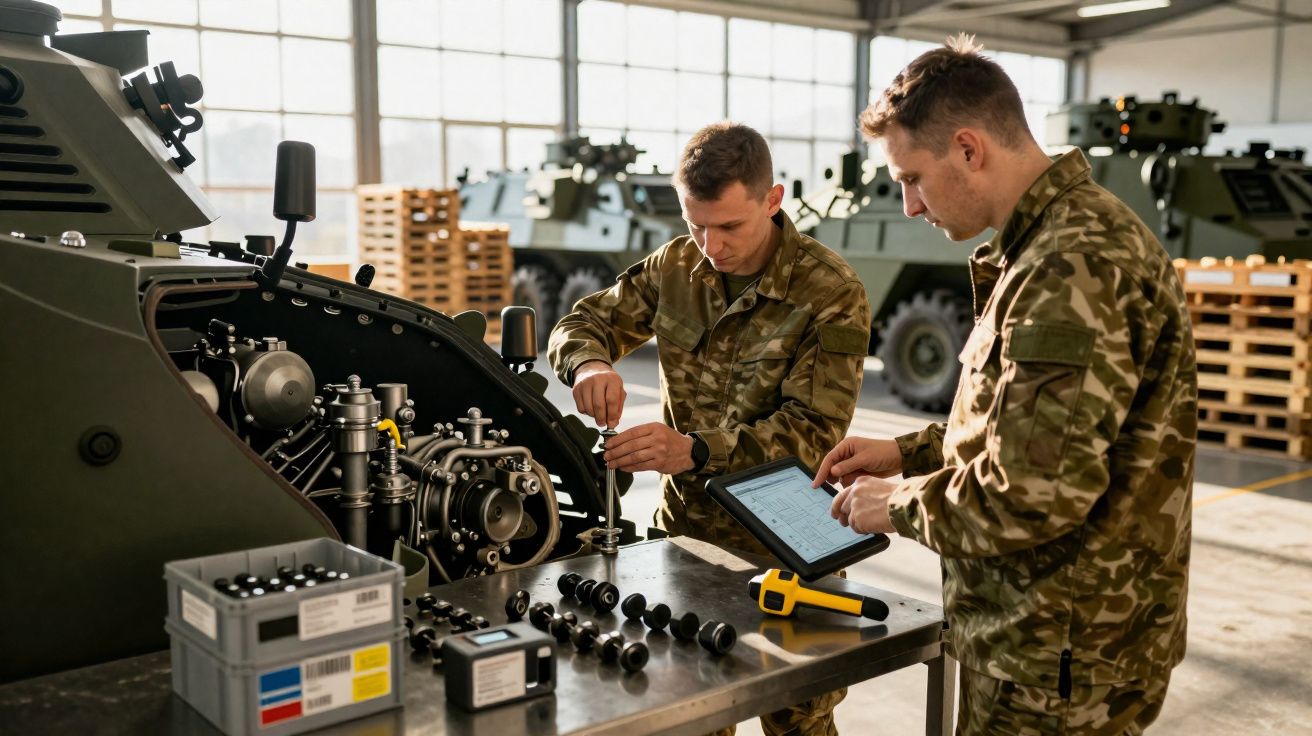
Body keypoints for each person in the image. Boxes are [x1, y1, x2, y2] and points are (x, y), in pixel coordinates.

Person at [814, 35, 1196, 735]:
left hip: (1057, 659)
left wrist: (893, 504)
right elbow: (1037, 429)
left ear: (968, 148)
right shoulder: (1051, 245)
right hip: (1053, 643)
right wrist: (911, 452)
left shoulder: (1068, 267)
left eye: (913, 178)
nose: (908, 206)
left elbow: (1031, 497)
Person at [549, 121, 872, 736]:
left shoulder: (830, 291)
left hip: (787, 544)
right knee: (691, 707)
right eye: (695, 224)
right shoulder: (676, 267)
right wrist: (589, 362)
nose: (711, 246)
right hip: (688, 542)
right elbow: (583, 321)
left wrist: (696, 450)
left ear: (772, 201)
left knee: (798, 716)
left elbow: (816, 433)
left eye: (729, 226)